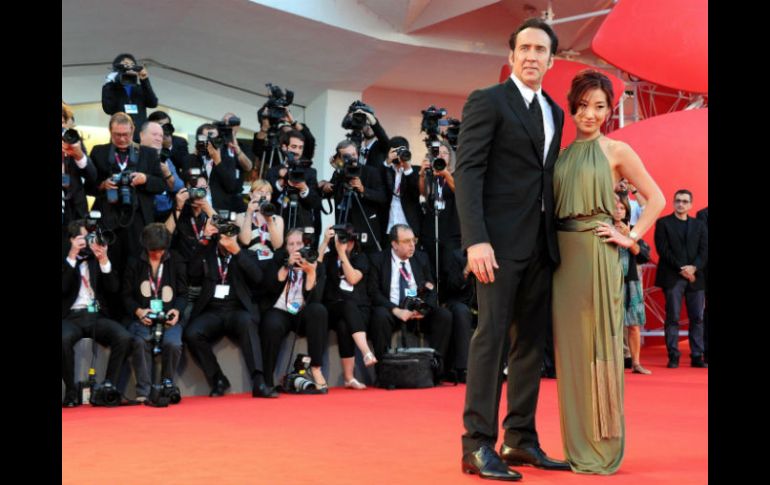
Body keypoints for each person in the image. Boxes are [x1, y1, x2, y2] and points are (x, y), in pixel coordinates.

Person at [455, 18, 567, 481]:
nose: (531, 56)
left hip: (541, 246)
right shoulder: (489, 100)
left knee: (530, 347)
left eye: (540, 49)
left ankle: (520, 438)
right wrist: (476, 239)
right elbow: (469, 173)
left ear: (551, 59)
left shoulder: (555, 112)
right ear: (511, 54)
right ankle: (476, 445)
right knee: (491, 341)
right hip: (496, 247)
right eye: (524, 48)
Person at [551, 69, 664, 474]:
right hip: (563, 260)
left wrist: (630, 236)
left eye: (599, 107)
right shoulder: (560, 155)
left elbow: (656, 198)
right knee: (571, 353)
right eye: (583, 106)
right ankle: (575, 442)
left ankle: (602, 446)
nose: (590, 114)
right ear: (573, 107)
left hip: (598, 257)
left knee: (600, 345)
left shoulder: (617, 151)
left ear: (610, 110)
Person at [318, 224, 378, 389]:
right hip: (332, 306)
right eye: (343, 240)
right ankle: (366, 352)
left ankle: (348, 377)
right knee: (346, 307)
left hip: (357, 309)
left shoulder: (361, 258)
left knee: (344, 325)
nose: (347, 244)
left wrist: (342, 254)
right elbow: (315, 266)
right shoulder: (329, 257)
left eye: (350, 241)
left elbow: (352, 278)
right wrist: (325, 242)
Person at [654, 190, 708, 369]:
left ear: (691, 205)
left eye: (685, 201)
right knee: (673, 317)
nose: (681, 204)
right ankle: (673, 355)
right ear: (673, 202)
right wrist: (682, 269)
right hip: (672, 277)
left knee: (698, 318)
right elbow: (663, 250)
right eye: (678, 201)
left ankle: (697, 355)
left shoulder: (699, 225)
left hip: (696, 277)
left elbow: (704, 250)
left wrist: (694, 267)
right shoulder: (663, 223)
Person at [613, 193, 652, 374]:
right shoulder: (602, 228)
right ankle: (611, 362)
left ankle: (636, 363)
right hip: (608, 282)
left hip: (630, 282)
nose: (618, 211)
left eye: (622, 208)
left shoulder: (635, 229)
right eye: (615, 207)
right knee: (609, 324)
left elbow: (644, 256)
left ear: (627, 211)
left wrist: (629, 238)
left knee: (634, 324)